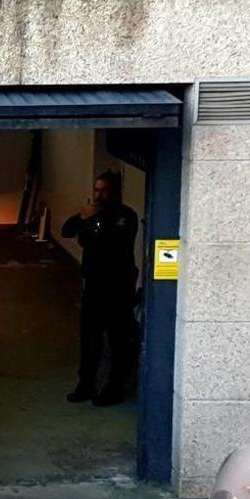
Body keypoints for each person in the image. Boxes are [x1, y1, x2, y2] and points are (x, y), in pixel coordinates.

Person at [62, 172, 140, 406]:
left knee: (118, 339)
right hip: (93, 285)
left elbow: (113, 242)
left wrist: (93, 226)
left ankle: (115, 387)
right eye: (96, 190)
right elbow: (67, 230)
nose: (99, 195)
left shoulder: (126, 216)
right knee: (89, 338)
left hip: (118, 287)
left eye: (104, 190)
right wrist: (82, 217)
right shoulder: (90, 214)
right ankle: (86, 383)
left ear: (114, 191)